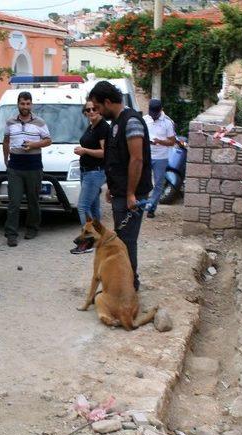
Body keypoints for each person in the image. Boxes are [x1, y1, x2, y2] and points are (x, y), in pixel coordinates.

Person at [88, 81, 153, 291]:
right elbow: (116, 159)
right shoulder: (116, 123)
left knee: (126, 242)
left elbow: (136, 159)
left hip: (131, 194)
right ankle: (122, 284)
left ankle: (130, 286)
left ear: (107, 102)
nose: (96, 111)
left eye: (97, 107)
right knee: (121, 240)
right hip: (121, 192)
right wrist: (112, 188)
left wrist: (131, 193)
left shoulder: (131, 121)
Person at [2, 91, 52, 247]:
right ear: (18, 104)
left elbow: (48, 140)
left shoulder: (40, 122)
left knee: (33, 201)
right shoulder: (10, 122)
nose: (25, 106)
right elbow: (6, 141)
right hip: (15, 166)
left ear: (31, 104)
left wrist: (33, 144)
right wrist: (6, 160)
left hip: (33, 166)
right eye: (22, 103)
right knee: (14, 202)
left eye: (28, 103)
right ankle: (11, 234)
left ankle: (32, 228)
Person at [70, 99, 110, 254]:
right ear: (85, 113)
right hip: (86, 171)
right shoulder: (92, 127)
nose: (91, 112)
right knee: (93, 207)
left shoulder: (102, 128)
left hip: (95, 171)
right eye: (88, 110)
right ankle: (99, 240)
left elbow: (104, 152)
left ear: (99, 110)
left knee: (82, 206)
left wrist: (85, 151)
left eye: (94, 109)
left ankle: (86, 243)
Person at [143, 99, 176, 218]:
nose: (153, 116)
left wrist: (160, 141)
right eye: (152, 113)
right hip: (147, 154)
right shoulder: (145, 119)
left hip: (161, 157)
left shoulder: (167, 122)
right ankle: (141, 205)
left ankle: (151, 208)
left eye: (155, 114)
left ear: (161, 110)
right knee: (143, 182)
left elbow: (172, 141)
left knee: (158, 184)